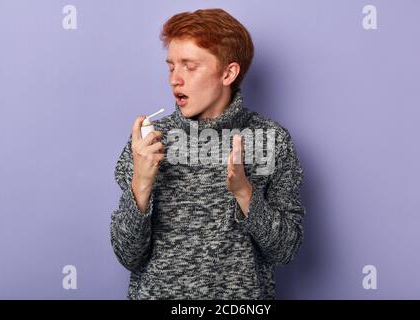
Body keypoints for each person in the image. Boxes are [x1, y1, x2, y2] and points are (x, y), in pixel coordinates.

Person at [110, 8, 306, 299]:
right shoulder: (148, 143)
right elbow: (128, 256)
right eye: (171, 66)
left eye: (189, 66)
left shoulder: (272, 140)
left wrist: (245, 194)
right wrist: (141, 183)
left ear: (228, 73)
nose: (174, 79)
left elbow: (285, 250)